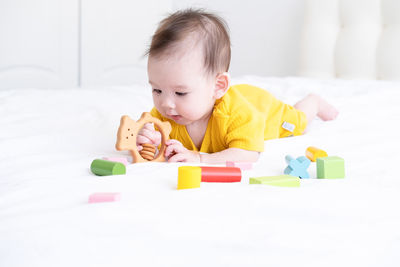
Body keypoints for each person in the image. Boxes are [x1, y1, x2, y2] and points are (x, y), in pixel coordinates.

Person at [137, 8, 338, 164]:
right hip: (242, 98)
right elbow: (151, 148)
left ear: (218, 86)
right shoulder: (162, 115)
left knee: (298, 123)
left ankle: (314, 102)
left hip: (264, 109)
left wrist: (201, 159)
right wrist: (148, 141)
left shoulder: (238, 114)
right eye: (157, 90)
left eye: (180, 92)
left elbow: (248, 154)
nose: (166, 103)